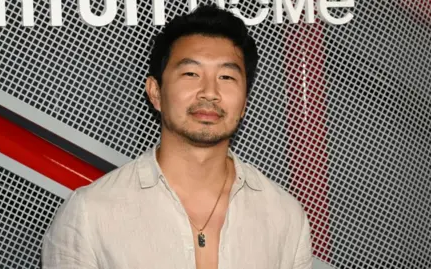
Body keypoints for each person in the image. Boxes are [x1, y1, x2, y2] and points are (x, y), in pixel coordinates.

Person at [41, 4, 312, 269]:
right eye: (191, 73)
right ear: (155, 93)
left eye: (227, 77)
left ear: (244, 103)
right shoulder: (90, 214)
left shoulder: (285, 216)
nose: (209, 92)